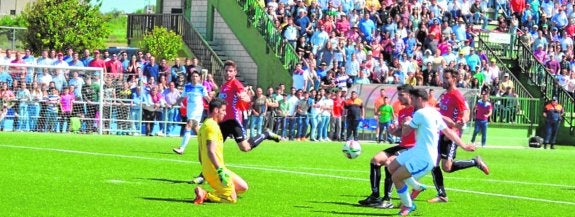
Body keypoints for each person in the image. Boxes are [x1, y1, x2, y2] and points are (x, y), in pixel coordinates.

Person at [386, 88, 476, 216]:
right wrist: (464, 145)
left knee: (396, 177)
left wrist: (406, 122)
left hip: (424, 157)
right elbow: (449, 132)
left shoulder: (420, 113)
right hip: (417, 151)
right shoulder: (434, 113)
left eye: (412, 99)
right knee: (391, 167)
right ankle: (417, 187)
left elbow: (405, 133)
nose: (410, 101)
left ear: (419, 99)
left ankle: (408, 205)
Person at [429, 68, 490, 203]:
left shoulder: (457, 95)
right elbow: (440, 109)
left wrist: (464, 119)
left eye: (447, 78)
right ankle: (442, 194)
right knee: (433, 163)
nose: (444, 80)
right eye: (443, 77)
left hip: (451, 135)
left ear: (454, 79)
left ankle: (475, 162)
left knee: (446, 167)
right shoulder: (445, 95)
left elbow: (466, 111)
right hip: (441, 133)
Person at [358, 84, 415, 209]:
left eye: (401, 95)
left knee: (390, 163)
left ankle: (387, 199)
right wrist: (394, 131)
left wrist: (410, 123)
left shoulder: (417, 111)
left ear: (410, 95)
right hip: (402, 145)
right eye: (398, 95)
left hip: (413, 147)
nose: (398, 98)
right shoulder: (402, 111)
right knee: (375, 160)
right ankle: (375, 195)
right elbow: (402, 131)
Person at [193, 98, 249, 204]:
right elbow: (210, 151)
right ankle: (205, 194)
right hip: (216, 170)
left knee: (243, 187)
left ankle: (222, 191)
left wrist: (206, 168)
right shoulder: (211, 126)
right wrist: (219, 171)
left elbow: (200, 153)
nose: (225, 113)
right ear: (216, 110)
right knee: (231, 199)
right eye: (223, 110)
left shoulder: (205, 125)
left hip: (213, 169)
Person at [173, 71, 210, 155]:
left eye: (196, 76)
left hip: (198, 110)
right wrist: (173, 104)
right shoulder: (187, 87)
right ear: (191, 77)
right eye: (193, 76)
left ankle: (181, 148)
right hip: (190, 110)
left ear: (199, 78)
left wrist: (214, 104)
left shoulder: (202, 88)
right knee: (196, 128)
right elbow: (182, 97)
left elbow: (207, 98)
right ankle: (205, 145)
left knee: (189, 125)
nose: (194, 78)